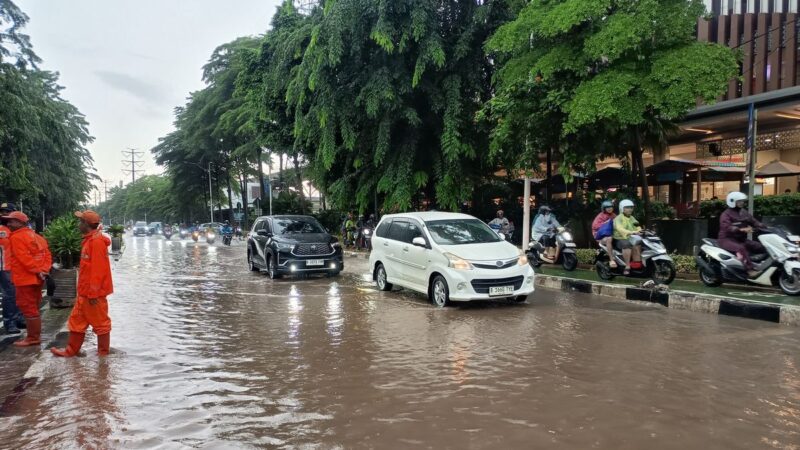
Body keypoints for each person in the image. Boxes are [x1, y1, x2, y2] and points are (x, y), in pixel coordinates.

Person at [52, 210, 113, 357]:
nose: (78, 224)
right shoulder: (89, 240)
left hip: (93, 294)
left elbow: (98, 270)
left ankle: (103, 357)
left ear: (86, 224)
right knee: (76, 321)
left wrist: (93, 293)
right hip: (85, 293)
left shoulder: (96, 242)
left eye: (81, 222)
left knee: (101, 324)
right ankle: (71, 351)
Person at [1, 210, 51, 347]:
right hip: (37, 279)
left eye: (11, 221)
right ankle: (34, 336)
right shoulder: (37, 237)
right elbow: (47, 255)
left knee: (28, 308)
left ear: (20, 223)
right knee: (33, 307)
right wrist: (43, 270)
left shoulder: (16, 237)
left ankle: (33, 338)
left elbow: (23, 258)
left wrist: (37, 270)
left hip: (25, 279)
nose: (8, 224)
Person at [718, 192, 766, 278]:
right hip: (726, 239)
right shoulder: (726, 214)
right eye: (739, 201)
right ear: (732, 201)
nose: (742, 203)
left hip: (741, 239)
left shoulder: (743, 212)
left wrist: (764, 226)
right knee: (740, 248)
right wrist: (740, 229)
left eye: (742, 201)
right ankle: (749, 270)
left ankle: (764, 267)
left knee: (761, 247)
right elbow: (727, 227)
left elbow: (753, 221)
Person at [0, 202, 26, 334]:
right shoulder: (1, 230)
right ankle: (9, 322)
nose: (4, 214)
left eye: (7, 212)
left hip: (19, 267)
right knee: (9, 295)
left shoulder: (18, 230)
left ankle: (18, 319)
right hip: (5, 267)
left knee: (19, 294)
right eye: (2, 212)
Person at [613, 199, 642, 275]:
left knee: (639, 243)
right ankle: (627, 266)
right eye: (627, 207)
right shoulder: (618, 218)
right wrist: (632, 232)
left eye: (631, 207)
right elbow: (620, 229)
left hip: (631, 237)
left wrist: (640, 231)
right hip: (620, 238)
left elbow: (637, 225)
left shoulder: (632, 218)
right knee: (627, 244)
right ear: (622, 208)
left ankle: (637, 264)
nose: (630, 209)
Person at [592, 200, 617, 268]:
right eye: (607, 207)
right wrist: (605, 224)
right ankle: (612, 260)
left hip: (611, 234)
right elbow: (594, 226)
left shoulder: (614, 215)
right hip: (600, 236)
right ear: (604, 208)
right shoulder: (600, 216)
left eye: (611, 207)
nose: (610, 208)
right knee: (609, 239)